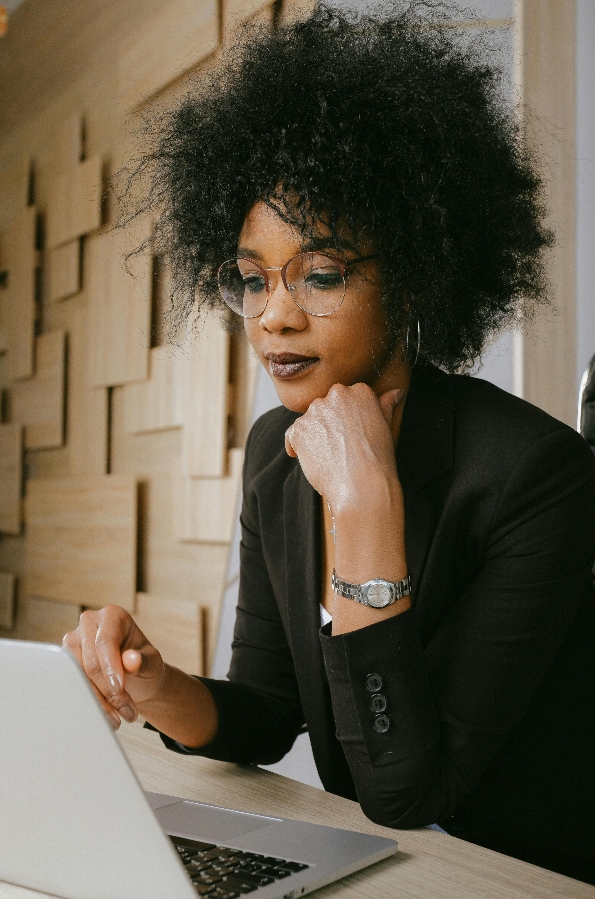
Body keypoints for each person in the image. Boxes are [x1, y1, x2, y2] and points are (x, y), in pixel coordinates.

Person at [63, 3, 595, 884]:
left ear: (413, 278)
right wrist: (158, 688)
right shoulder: (276, 450)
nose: (274, 315)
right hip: (387, 861)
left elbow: (408, 789)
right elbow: (269, 710)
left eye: (321, 273)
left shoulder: (533, 474)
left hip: (524, 871)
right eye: (252, 279)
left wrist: (363, 507)